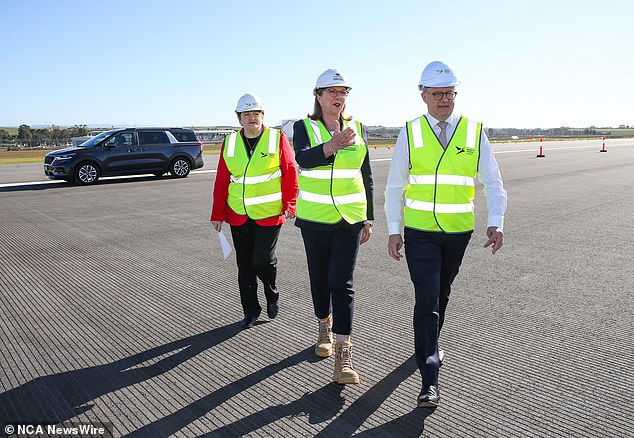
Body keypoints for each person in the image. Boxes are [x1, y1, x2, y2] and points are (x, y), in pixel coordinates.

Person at [384, 61, 507, 407]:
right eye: (437, 94)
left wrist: (496, 220)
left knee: (441, 292)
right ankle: (430, 379)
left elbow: (493, 181)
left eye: (449, 93)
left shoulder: (473, 131)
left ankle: (429, 342)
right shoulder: (410, 132)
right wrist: (394, 231)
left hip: (457, 232)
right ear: (423, 95)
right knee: (426, 299)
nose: (444, 99)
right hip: (420, 231)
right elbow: (395, 186)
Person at [293, 69, 374, 385]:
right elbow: (303, 159)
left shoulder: (358, 127)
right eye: (332, 92)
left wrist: (367, 216)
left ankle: (344, 354)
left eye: (343, 92)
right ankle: (323, 326)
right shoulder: (305, 127)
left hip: (349, 219)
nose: (338, 98)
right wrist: (331, 146)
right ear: (318, 96)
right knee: (321, 279)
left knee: (342, 281)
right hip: (315, 218)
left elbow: (364, 172)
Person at [211, 93, 298, 329]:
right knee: (245, 266)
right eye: (246, 114)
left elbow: (290, 172)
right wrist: (217, 213)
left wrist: (290, 203)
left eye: (256, 114)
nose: (252, 118)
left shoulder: (277, 138)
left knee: (262, 262)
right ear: (239, 119)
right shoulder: (229, 143)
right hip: (238, 214)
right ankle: (250, 310)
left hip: (269, 213)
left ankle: (272, 293)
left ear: (263, 116)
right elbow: (222, 180)